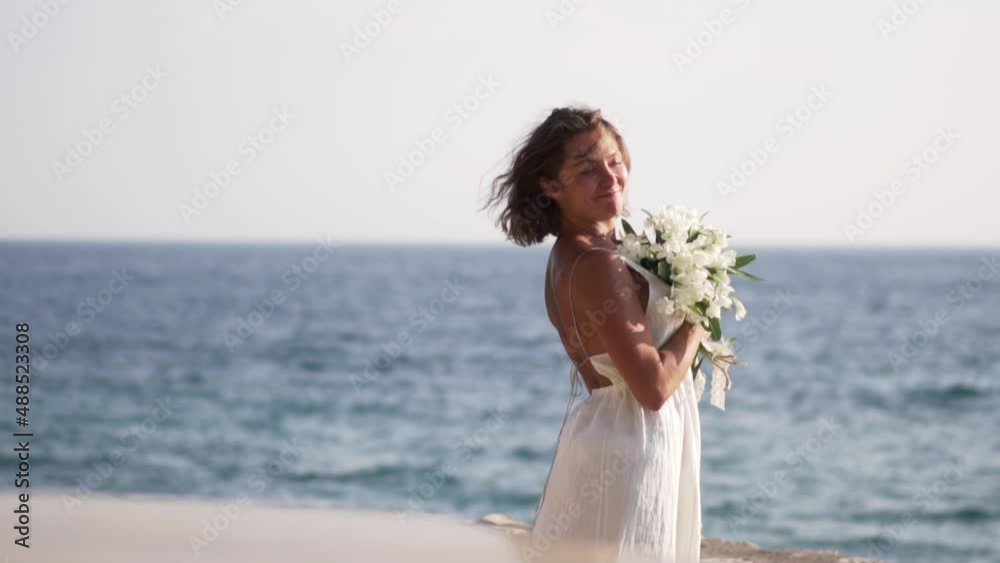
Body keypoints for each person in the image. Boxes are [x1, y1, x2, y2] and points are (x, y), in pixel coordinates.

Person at [483, 106, 707, 562]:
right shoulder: (598, 263)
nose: (609, 178)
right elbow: (654, 386)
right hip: (633, 445)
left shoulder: (576, 254)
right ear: (550, 186)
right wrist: (699, 318)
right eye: (586, 169)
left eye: (614, 162)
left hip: (609, 434)